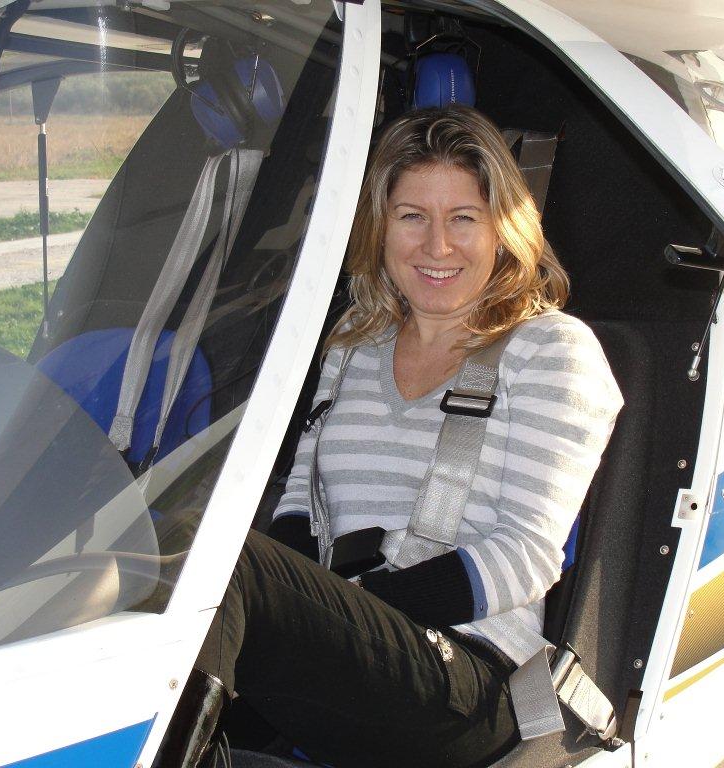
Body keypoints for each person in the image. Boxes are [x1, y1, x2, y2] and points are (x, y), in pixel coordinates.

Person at [159, 106, 623, 768]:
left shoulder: (550, 351)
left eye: (463, 218)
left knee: (225, 563)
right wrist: (316, 617)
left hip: (470, 677)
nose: (437, 246)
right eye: (412, 217)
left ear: (503, 229)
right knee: (164, 554)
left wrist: (354, 611)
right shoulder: (355, 345)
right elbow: (300, 509)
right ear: (381, 227)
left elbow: (528, 554)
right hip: (356, 658)